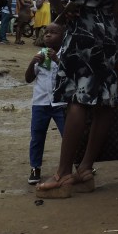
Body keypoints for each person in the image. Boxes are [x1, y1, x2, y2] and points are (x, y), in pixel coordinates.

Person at [35, 0, 118, 198]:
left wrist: (61, 9)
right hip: (108, 36)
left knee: (78, 99)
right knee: (105, 102)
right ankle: (85, 169)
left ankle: (62, 174)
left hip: (82, 34)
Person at [25, 22, 67, 185]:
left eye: (53, 32)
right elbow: (28, 78)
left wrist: (57, 60)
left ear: (63, 37)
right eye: (46, 32)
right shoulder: (40, 54)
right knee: (37, 136)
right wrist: (32, 62)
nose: (48, 35)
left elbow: (70, 75)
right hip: (40, 102)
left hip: (61, 103)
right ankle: (35, 167)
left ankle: (78, 163)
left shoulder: (66, 54)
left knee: (68, 135)